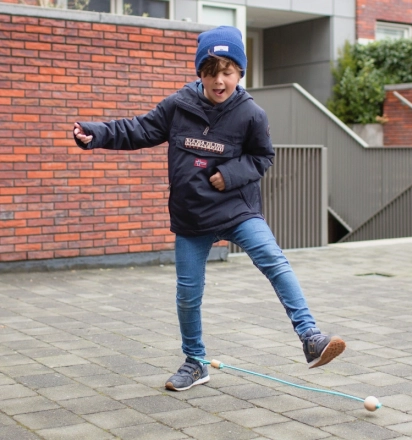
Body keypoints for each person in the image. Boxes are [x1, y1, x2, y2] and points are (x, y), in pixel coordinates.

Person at [72, 25, 346, 392]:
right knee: (187, 293)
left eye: (228, 72)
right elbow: (138, 129)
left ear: (240, 73)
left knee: (274, 260)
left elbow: (263, 157)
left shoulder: (251, 114)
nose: (220, 81)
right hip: (192, 216)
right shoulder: (178, 106)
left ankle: (310, 336)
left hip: (237, 209)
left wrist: (229, 174)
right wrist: (97, 134)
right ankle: (195, 362)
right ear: (200, 72)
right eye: (211, 72)